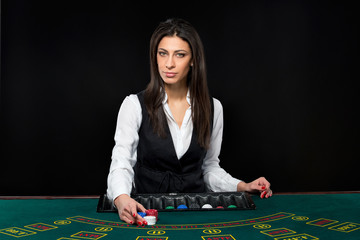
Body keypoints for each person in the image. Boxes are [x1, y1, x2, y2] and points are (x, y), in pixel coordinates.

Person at [107, 18, 273, 226]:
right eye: (163, 53)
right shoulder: (133, 105)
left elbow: (209, 168)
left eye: (180, 55)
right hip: (146, 211)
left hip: (197, 215)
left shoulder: (214, 108)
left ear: (193, 59)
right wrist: (121, 197)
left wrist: (243, 186)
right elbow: (121, 162)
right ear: (155, 57)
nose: (169, 63)